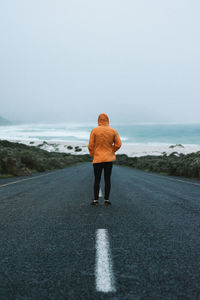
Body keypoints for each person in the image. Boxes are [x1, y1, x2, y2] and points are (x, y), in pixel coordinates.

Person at [88, 113, 122, 206]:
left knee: (97, 179)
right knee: (107, 179)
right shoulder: (113, 130)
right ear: (107, 120)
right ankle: (106, 200)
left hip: (98, 158)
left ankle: (95, 201)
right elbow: (118, 144)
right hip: (108, 159)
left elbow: (90, 145)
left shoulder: (94, 130)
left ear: (99, 120)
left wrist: (92, 154)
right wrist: (112, 150)